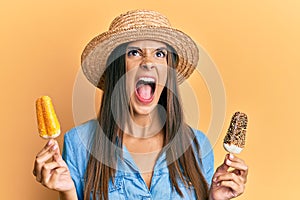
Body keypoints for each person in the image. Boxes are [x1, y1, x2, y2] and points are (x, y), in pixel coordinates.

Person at [33, 9, 248, 200]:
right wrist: (67, 191)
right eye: (134, 53)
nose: (148, 62)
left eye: (159, 54)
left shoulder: (198, 145)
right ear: (118, 69)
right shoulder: (78, 143)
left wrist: (216, 198)